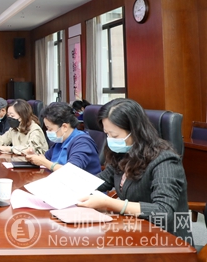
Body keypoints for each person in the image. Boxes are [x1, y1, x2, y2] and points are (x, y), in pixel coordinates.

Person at [78, 98, 192, 243]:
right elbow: (102, 180)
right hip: (134, 230)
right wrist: (69, 186)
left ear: (135, 131)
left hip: (168, 239)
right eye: (107, 134)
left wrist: (108, 203)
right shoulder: (122, 153)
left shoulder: (165, 160)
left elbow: (163, 211)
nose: (109, 140)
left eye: (114, 135)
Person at [26, 102, 101, 175]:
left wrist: (43, 162)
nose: (48, 132)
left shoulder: (83, 143)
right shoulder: (60, 141)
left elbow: (72, 171)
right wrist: (34, 157)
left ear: (64, 127)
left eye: (50, 129)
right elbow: (46, 158)